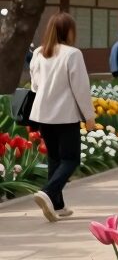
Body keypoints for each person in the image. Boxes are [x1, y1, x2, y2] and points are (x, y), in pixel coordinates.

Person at [28, 13, 95, 221]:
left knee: (55, 158)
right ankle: (48, 192)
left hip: (42, 113)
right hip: (65, 114)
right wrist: (89, 116)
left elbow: (35, 85)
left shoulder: (39, 53)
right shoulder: (72, 54)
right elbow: (81, 88)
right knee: (71, 159)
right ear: (68, 31)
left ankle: (57, 205)